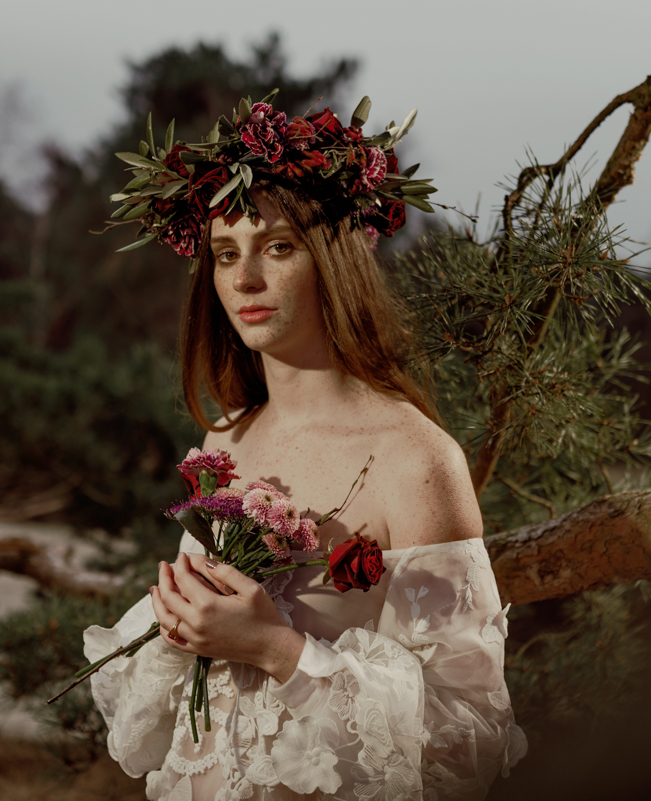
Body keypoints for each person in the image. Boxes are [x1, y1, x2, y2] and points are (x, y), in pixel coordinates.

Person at [85, 97, 526, 800]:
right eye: (226, 253)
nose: (245, 279)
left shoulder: (417, 463)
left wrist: (278, 648)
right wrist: (180, 620)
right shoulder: (225, 436)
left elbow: (466, 738)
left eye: (279, 247)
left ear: (334, 258)